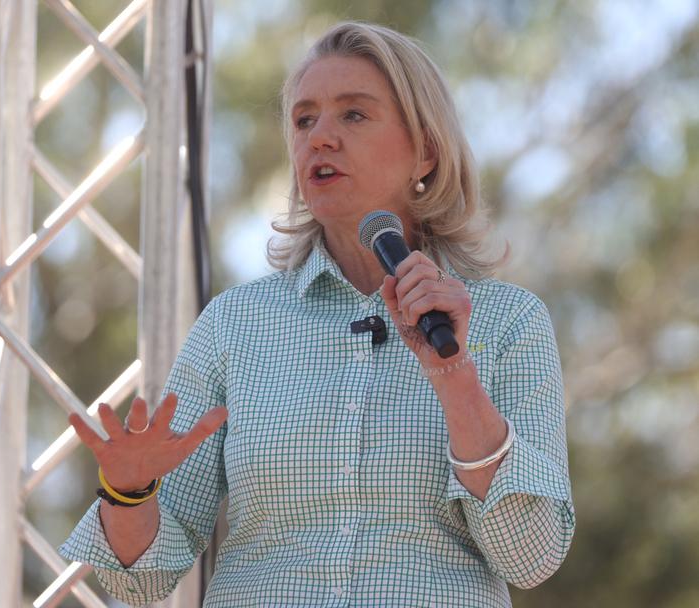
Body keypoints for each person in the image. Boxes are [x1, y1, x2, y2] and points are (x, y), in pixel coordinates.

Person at [60, 21, 575, 607]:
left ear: (426, 151)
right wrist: (128, 492)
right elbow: (139, 580)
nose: (320, 138)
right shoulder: (236, 324)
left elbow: (531, 556)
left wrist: (453, 376)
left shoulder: (507, 322)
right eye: (305, 120)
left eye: (353, 115)